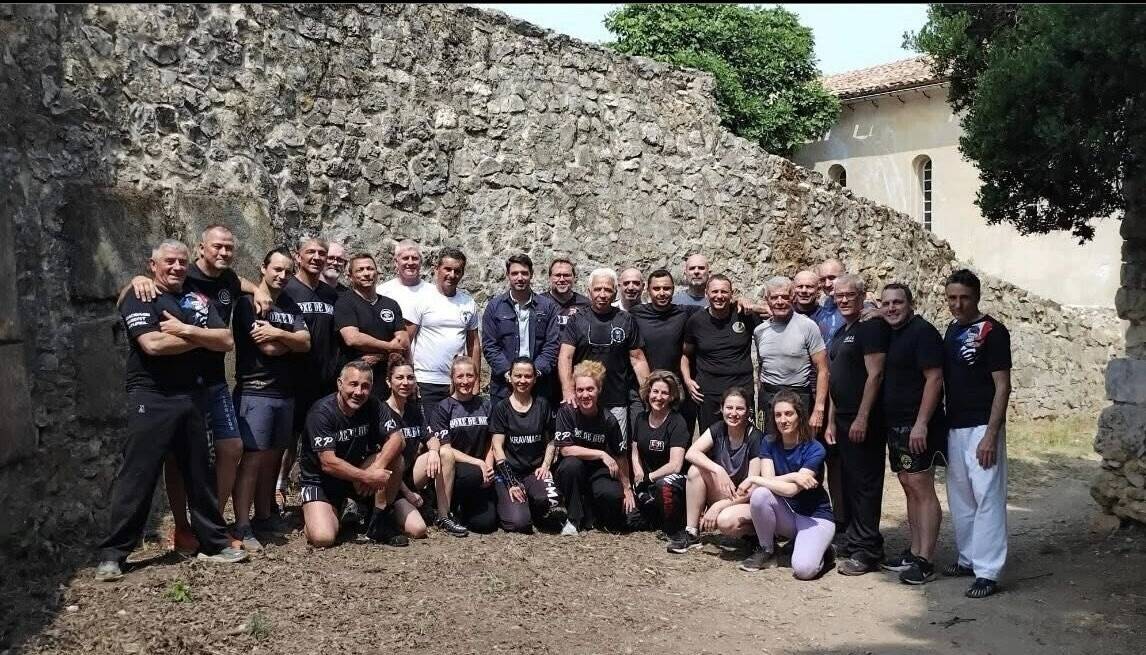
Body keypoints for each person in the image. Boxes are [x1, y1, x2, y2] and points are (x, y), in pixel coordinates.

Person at [96, 240, 247, 582]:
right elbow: (153, 344)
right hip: (152, 397)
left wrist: (186, 330)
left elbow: (225, 340)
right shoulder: (142, 295)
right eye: (169, 262)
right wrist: (201, 337)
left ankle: (214, 543)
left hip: (192, 395)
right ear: (153, 266)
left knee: (200, 473)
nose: (177, 267)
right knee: (138, 475)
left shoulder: (196, 298)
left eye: (181, 262)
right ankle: (114, 554)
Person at [126, 225, 266, 552]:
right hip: (181, 383)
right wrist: (136, 280)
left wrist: (259, 289)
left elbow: (238, 287)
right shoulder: (182, 275)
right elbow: (134, 292)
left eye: (229, 248)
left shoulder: (229, 279)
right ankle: (183, 528)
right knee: (177, 459)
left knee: (232, 448)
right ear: (200, 248)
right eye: (217, 247)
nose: (223, 253)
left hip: (214, 381)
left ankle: (212, 526)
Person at [230, 248, 311, 552]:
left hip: (284, 393)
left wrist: (279, 334)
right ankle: (241, 524)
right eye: (277, 269)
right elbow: (267, 349)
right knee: (252, 459)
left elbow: (306, 342)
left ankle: (264, 515)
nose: (282, 275)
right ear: (263, 268)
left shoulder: (289, 303)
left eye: (288, 271)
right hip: (256, 391)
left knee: (273, 459)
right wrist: (290, 340)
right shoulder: (247, 304)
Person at [942, 269, 1012, 599]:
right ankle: (968, 558)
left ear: (977, 297)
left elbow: (1003, 386)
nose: (957, 304)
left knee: (987, 497)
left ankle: (988, 571)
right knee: (961, 497)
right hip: (955, 425)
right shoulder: (951, 330)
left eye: (964, 298)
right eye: (952, 298)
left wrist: (991, 435)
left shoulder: (993, 332)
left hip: (983, 426)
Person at [878, 283, 946, 585]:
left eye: (898, 302)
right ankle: (915, 549)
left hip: (918, 426)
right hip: (896, 423)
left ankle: (926, 560)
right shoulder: (891, 332)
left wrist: (921, 423)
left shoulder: (923, 332)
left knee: (922, 487)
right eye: (886, 303)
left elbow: (934, 379)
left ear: (911, 304)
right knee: (907, 484)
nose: (891, 308)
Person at [298, 360, 408, 548]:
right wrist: (367, 476)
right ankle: (325, 513)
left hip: (355, 476)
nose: (359, 392)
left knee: (396, 458)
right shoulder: (322, 412)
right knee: (323, 538)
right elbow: (328, 463)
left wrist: (376, 468)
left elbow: (398, 439)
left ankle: (379, 518)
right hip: (321, 481)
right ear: (340, 384)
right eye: (353, 384)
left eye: (365, 386)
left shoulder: (373, 404)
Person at [826, 273, 891, 576]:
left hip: (864, 419)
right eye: (839, 295)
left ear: (863, 296)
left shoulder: (872, 327)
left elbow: (875, 375)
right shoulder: (841, 331)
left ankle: (868, 550)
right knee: (849, 483)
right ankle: (854, 539)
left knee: (865, 484)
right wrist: (829, 422)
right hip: (841, 420)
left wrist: (863, 417)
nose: (843, 300)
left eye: (849, 295)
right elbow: (836, 383)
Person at [739, 391, 836, 579]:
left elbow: (791, 490)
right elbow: (768, 482)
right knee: (760, 494)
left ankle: (826, 551)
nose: (783, 420)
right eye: (778, 415)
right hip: (789, 515)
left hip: (815, 518)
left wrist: (753, 479)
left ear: (799, 416)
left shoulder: (815, 448)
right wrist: (794, 475)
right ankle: (767, 550)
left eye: (788, 414)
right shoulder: (769, 442)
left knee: (803, 570)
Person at [277, 237, 340, 512]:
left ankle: (319, 491)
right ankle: (277, 489)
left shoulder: (331, 294)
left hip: (325, 380)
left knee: (321, 439)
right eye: (310, 252)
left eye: (321, 253)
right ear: (298, 257)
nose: (316, 257)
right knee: (288, 439)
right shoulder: (286, 289)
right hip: (292, 378)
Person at [557, 268, 651, 442]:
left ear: (615, 292)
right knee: (581, 450)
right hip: (583, 400)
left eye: (607, 290)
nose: (602, 294)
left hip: (616, 400)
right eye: (598, 289)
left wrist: (649, 393)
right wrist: (568, 390)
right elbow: (565, 357)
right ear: (589, 291)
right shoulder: (577, 320)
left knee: (619, 451)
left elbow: (637, 360)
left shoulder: (626, 320)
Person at [668, 387, 764, 554]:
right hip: (726, 491)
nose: (734, 413)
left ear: (748, 411)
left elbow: (752, 488)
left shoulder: (755, 437)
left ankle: (757, 534)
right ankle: (691, 532)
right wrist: (718, 469)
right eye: (729, 408)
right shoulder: (719, 428)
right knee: (695, 470)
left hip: (745, 499)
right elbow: (691, 453)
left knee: (725, 521)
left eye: (740, 408)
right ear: (722, 408)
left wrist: (717, 506)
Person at [382, 358, 469, 538]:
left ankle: (444, 516)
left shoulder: (414, 410)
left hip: (410, 474)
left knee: (445, 452)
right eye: (399, 378)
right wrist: (407, 494)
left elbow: (431, 437)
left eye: (410, 378)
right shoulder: (381, 412)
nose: (405, 383)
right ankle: (385, 513)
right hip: (391, 482)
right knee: (418, 530)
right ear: (388, 382)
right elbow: (385, 464)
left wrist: (433, 452)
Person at [489, 357, 569, 533]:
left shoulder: (543, 405)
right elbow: (497, 447)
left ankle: (532, 502)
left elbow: (551, 439)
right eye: (518, 376)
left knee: (553, 506)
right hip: (510, 474)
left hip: (535, 471)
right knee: (520, 524)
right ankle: (512, 504)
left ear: (534, 378)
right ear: (509, 377)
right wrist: (511, 482)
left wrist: (546, 465)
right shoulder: (501, 408)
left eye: (527, 376)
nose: (522, 381)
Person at [553, 361, 635, 533]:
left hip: (599, 472)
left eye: (590, 389)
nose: (585, 395)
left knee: (613, 496)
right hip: (573, 471)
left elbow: (621, 456)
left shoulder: (608, 419)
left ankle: (593, 512)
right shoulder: (567, 412)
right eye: (580, 390)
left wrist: (627, 488)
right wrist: (601, 454)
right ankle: (573, 519)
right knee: (571, 465)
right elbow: (566, 449)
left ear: (599, 390)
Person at [405, 247, 481, 418]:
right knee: (429, 435)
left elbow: (474, 345)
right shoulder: (421, 299)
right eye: (447, 269)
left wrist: (475, 381)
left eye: (457, 271)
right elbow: (406, 340)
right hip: (426, 381)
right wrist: (409, 376)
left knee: (455, 436)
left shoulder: (468, 303)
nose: (452, 275)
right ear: (436, 269)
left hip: (458, 383)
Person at [681, 275, 761, 433]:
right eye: (715, 291)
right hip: (709, 393)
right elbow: (685, 355)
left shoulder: (745, 315)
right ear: (706, 294)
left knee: (744, 438)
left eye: (724, 292)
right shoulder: (696, 321)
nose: (719, 296)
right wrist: (688, 381)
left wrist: (751, 304)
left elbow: (774, 311)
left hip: (742, 389)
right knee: (711, 439)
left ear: (732, 294)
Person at [752, 276, 828, 436]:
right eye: (774, 297)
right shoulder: (760, 331)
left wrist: (818, 409)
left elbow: (823, 370)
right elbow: (761, 368)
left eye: (785, 297)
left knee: (800, 448)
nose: (780, 302)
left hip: (799, 397)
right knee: (769, 448)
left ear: (793, 298)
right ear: (767, 300)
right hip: (769, 398)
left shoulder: (808, 326)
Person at [430, 357, 498, 534]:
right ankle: (449, 506)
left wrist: (489, 465)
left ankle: (464, 510)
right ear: (452, 378)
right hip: (456, 470)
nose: (465, 381)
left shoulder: (485, 404)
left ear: (477, 377)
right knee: (473, 474)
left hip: (482, 471)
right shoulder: (443, 408)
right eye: (460, 376)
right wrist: (478, 463)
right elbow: (445, 448)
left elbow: (492, 439)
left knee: (486, 525)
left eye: (470, 376)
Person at [481, 254, 561, 403]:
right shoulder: (494, 307)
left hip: (540, 387)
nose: (520, 278)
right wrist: (510, 374)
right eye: (515, 273)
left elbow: (552, 344)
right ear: (507, 275)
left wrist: (534, 373)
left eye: (524, 273)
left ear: (531, 275)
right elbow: (490, 345)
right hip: (503, 388)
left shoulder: (547, 307)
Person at [630, 269, 701, 434]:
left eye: (667, 288)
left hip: (677, 394)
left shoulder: (685, 313)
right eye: (656, 289)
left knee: (680, 443)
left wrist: (742, 302)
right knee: (642, 441)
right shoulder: (635, 314)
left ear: (673, 289)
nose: (662, 293)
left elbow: (717, 305)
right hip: (644, 390)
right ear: (648, 290)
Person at [334, 254, 408, 398]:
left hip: (387, 380)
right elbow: (353, 338)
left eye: (370, 269)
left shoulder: (390, 304)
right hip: (356, 382)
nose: (366, 273)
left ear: (377, 273)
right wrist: (389, 347)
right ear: (350, 276)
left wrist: (380, 355)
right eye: (360, 270)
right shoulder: (344, 302)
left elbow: (403, 341)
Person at [630, 371, 690, 538]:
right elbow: (635, 451)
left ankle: (674, 528)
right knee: (630, 521)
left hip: (673, 480)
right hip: (647, 480)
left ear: (672, 397)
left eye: (664, 393)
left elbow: (675, 465)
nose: (659, 397)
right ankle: (654, 515)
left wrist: (649, 477)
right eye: (655, 391)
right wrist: (639, 473)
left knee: (663, 485)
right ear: (648, 392)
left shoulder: (677, 422)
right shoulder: (640, 418)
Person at [377, 239, 431, 319]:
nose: (410, 263)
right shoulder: (382, 292)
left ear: (421, 262)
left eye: (415, 258)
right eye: (405, 258)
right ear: (396, 262)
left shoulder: (432, 292)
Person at [542, 257, 591, 328]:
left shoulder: (586, 305)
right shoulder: (540, 303)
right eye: (557, 275)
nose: (562, 279)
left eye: (566, 275)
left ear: (574, 278)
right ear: (550, 278)